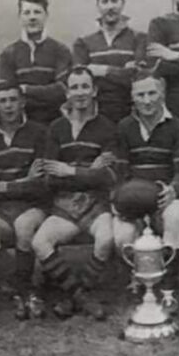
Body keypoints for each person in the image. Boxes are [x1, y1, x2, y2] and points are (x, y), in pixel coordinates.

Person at [31, 67, 118, 319]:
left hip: (96, 204)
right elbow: (49, 177)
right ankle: (80, 296)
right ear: (67, 92)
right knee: (40, 241)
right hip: (65, 205)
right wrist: (89, 171)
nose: (80, 93)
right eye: (75, 87)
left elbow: (109, 176)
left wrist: (69, 171)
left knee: (105, 239)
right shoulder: (56, 128)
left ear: (94, 90)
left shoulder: (106, 127)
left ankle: (76, 296)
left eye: (85, 86)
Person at [0, 79, 49, 321]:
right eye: (3, 101)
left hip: (32, 208)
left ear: (23, 102)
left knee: (24, 225)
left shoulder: (38, 132)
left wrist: (3, 185)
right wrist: (21, 183)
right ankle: (26, 292)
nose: (8, 106)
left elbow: (39, 185)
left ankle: (23, 291)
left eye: (13, 100)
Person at [114, 72, 179, 284]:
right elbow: (120, 169)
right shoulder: (124, 127)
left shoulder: (177, 127)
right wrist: (118, 198)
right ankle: (137, 281)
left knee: (175, 215)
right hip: (133, 198)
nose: (146, 101)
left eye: (152, 93)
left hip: (164, 197)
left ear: (162, 93)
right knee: (121, 235)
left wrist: (173, 190)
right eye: (140, 95)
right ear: (132, 97)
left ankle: (169, 283)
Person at [73, 0, 147, 124]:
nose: (110, 6)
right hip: (95, 117)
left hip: (132, 116)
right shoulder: (83, 43)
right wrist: (123, 72)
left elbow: (139, 78)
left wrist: (103, 71)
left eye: (114, 0)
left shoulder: (139, 38)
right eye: (105, 2)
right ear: (98, 5)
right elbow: (80, 81)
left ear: (123, 3)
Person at [0, 0, 72, 125]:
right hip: (21, 124)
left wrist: (26, 89)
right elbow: (7, 93)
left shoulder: (60, 50)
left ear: (46, 15)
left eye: (37, 12)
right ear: (20, 16)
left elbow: (62, 90)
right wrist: (46, 92)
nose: (32, 17)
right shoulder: (8, 53)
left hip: (54, 121)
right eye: (27, 12)